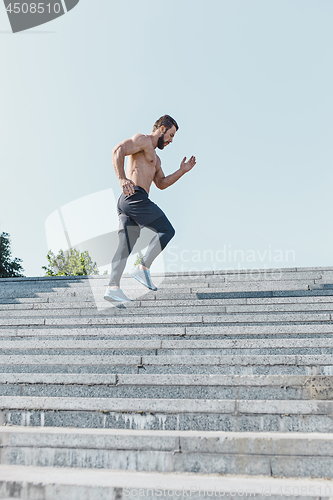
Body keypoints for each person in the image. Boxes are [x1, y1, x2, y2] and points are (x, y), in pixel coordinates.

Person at [104, 114, 196, 302]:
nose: (171, 140)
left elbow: (161, 183)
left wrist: (182, 171)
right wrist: (121, 178)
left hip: (130, 202)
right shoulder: (143, 140)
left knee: (125, 246)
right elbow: (118, 150)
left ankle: (112, 287)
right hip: (134, 196)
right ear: (162, 129)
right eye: (170, 135)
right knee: (167, 230)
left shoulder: (156, 159)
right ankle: (143, 267)